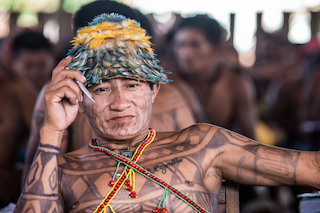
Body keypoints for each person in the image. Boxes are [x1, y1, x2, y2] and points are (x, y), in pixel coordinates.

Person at [14, 13, 320, 213]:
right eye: (102, 89)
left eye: (132, 85)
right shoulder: (63, 171)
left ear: (154, 91)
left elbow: (312, 168)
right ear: (80, 100)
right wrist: (52, 130)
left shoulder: (204, 146)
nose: (120, 103)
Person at [22, 0, 196, 187]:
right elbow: (35, 176)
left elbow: (194, 161)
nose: (120, 103)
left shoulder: (169, 93)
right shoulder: (62, 94)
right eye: (102, 89)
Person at [169, 15, 257, 139]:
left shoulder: (236, 85)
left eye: (195, 45)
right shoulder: (167, 82)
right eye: (179, 45)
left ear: (217, 50)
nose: (185, 53)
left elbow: (250, 140)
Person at [0, 30, 55, 208]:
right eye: (27, 65)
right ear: (12, 63)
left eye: (42, 64)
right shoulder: (13, 87)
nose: (35, 72)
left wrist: (18, 172)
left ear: (52, 62)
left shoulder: (49, 91)